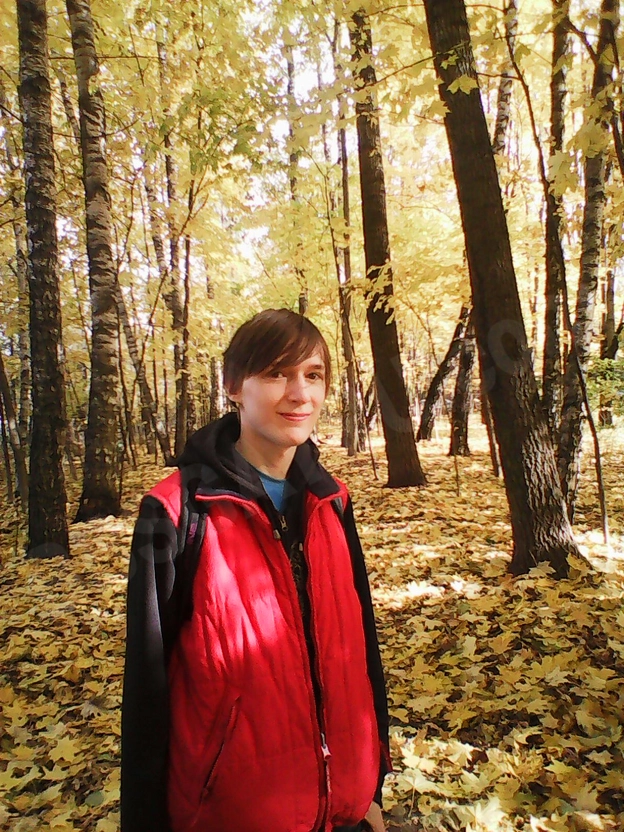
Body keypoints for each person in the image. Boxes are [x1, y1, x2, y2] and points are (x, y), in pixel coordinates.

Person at [121, 309, 390, 832]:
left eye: (313, 374)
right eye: (276, 373)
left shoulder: (332, 501)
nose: (300, 393)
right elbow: (147, 689)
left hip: (346, 809)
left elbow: (362, 651)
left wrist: (374, 785)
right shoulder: (177, 511)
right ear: (233, 387)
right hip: (233, 815)